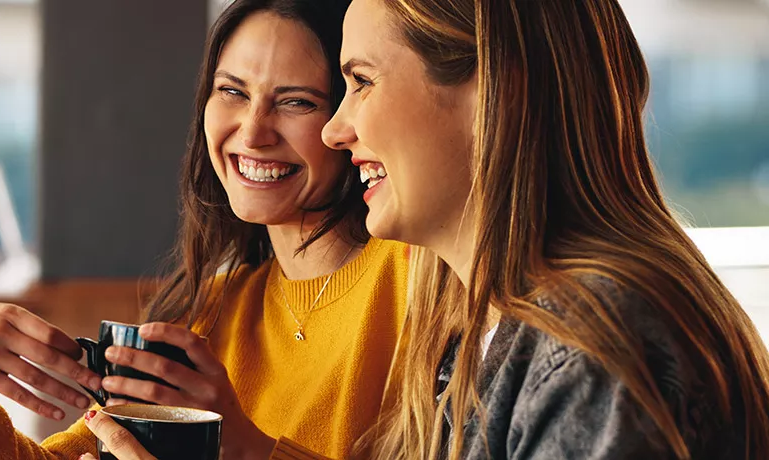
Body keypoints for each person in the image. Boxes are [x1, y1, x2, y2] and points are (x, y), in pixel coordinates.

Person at [0, 0, 410, 458]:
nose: (253, 132)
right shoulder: (210, 310)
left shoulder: (420, 278)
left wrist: (241, 446)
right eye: (231, 91)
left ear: (348, 117)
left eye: (297, 101)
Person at [317, 0, 769, 458]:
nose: (332, 131)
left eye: (362, 82)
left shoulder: (593, 350)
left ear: (491, 89)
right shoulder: (479, 327)